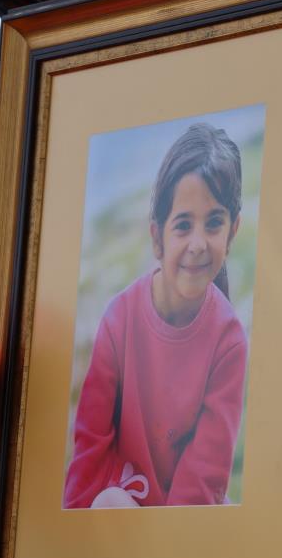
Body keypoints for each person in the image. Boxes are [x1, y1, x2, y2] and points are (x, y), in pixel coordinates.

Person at [63, 122, 248, 509]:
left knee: (230, 512)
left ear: (232, 234)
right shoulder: (120, 319)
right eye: (183, 225)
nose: (198, 244)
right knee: (110, 504)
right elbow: (91, 442)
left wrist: (172, 550)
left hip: (182, 515)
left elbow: (206, 470)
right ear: (157, 237)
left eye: (214, 223)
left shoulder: (229, 339)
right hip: (120, 500)